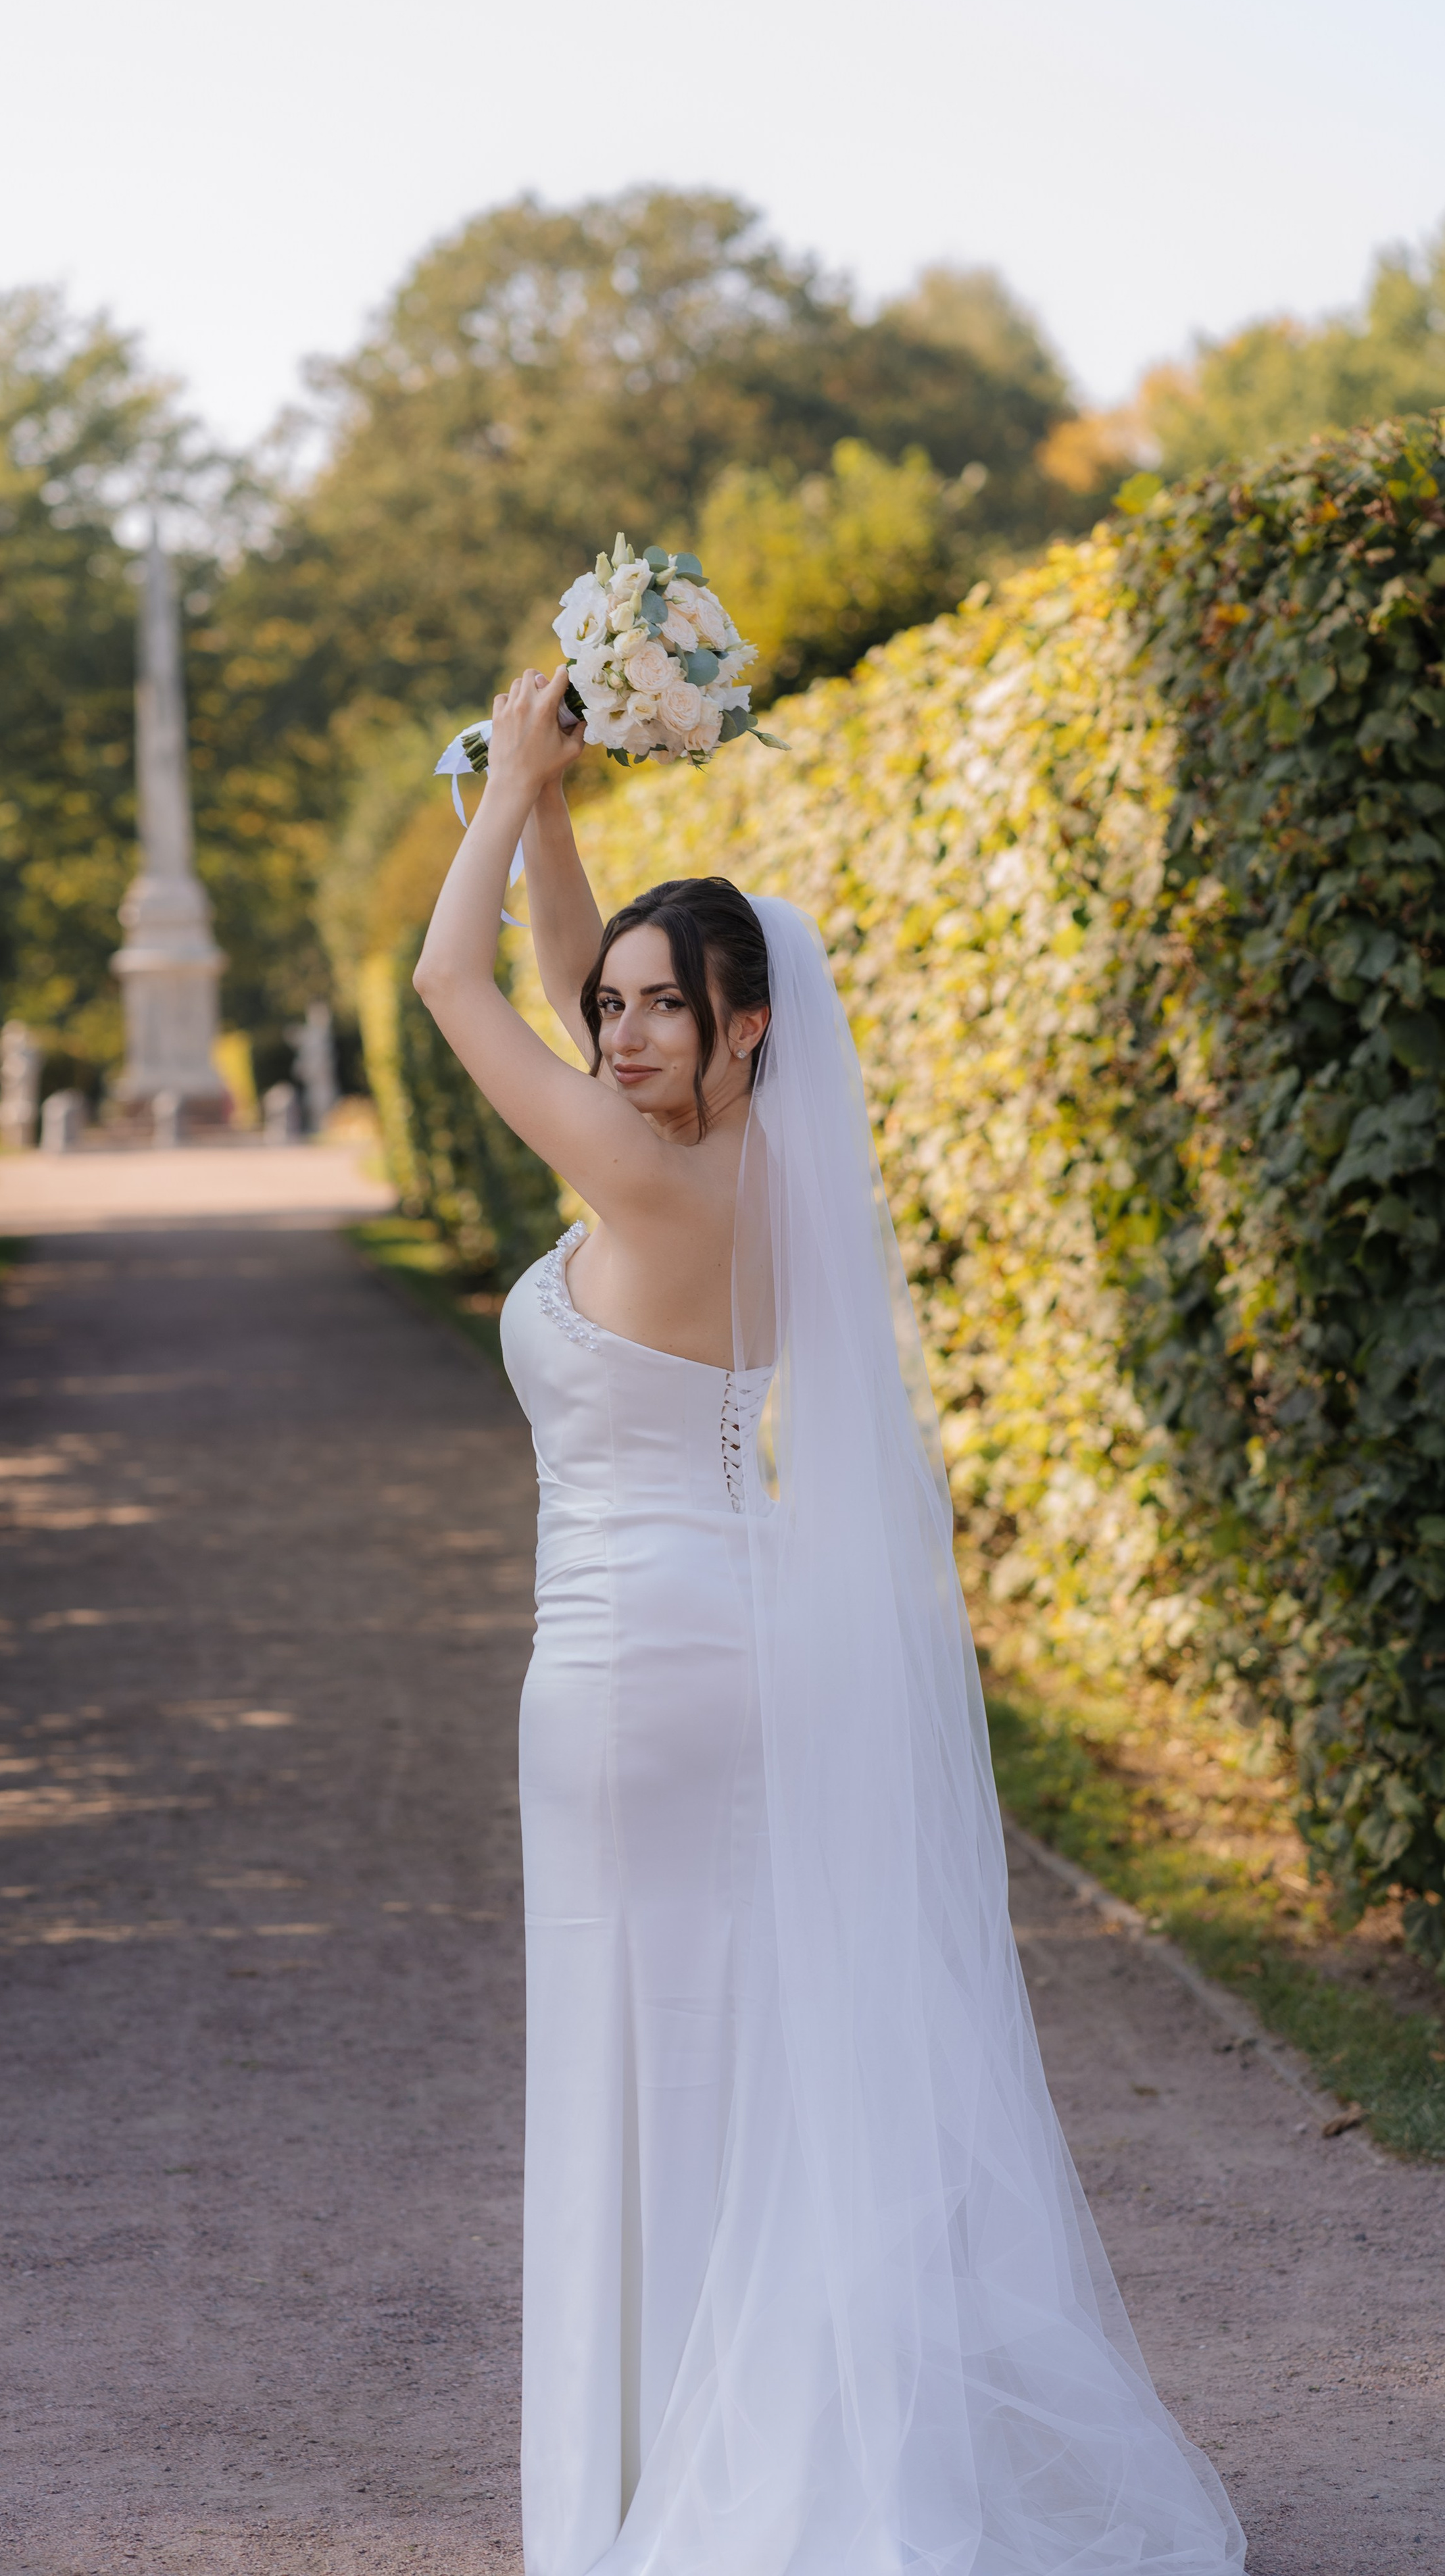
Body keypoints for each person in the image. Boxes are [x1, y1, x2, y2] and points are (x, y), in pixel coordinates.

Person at [414, 668, 1246, 2576]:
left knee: (643, 2048)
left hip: (636, 1665)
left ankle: (660, 2483)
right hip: (722, 1641)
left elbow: (455, 992)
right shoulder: (732, 1166)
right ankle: (708, 2436)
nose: (614, 1032)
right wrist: (551, 821)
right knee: (723, 2052)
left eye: (655, 1008)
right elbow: (550, 984)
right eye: (611, 1005)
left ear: (747, 1025)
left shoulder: (642, 1177)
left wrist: (509, 778)